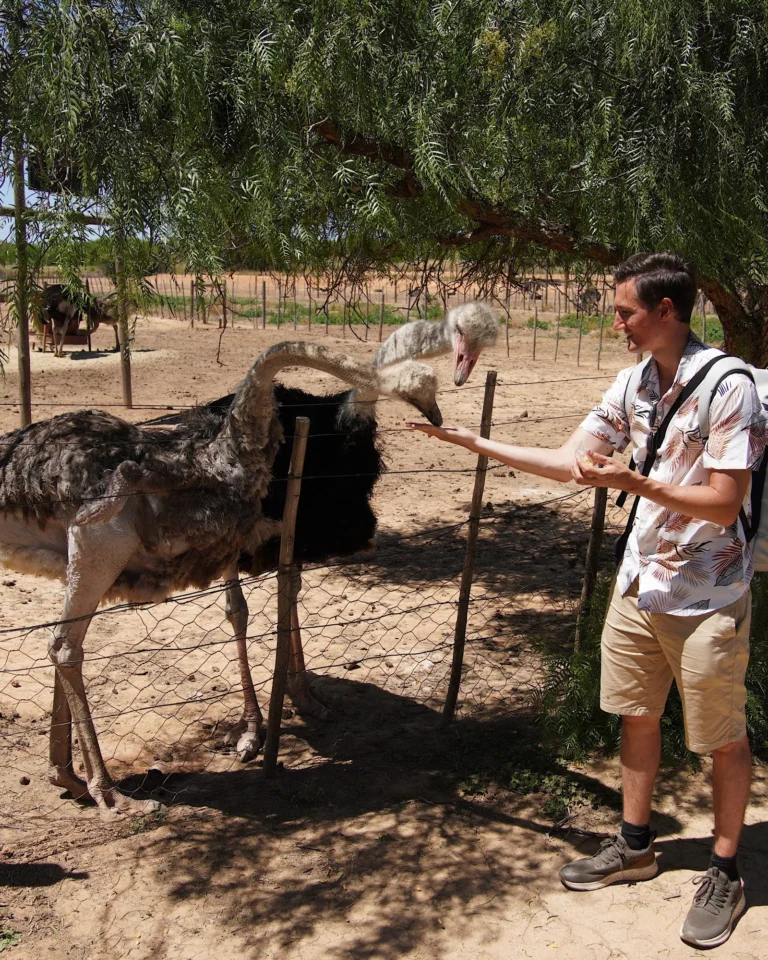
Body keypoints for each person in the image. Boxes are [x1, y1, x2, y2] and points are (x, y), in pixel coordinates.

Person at [409, 253, 765, 949]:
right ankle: (635, 847)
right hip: (641, 585)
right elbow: (573, 463)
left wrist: (637, 485)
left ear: (667, 312)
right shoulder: (631, 384)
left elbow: (725, 505)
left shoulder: (729, 388)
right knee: (636, 716)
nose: (617, 323)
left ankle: (726, 869)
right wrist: (475, 442)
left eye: (626, 311)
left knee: (721, 738)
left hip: (708, 595)